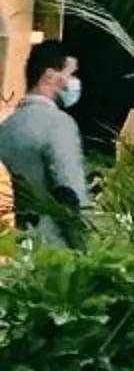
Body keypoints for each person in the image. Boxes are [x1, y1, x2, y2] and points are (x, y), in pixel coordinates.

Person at [0, 40, 87, 242]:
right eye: (71, 74)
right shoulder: (58, 124)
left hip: (11, 246)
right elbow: (70, 193)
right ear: (49, 76)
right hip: (51, 250)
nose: (75, 82)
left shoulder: (5, 128)